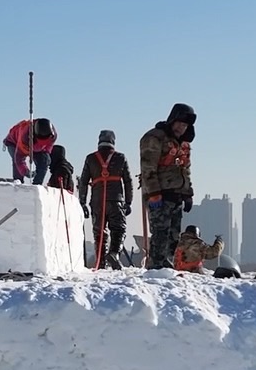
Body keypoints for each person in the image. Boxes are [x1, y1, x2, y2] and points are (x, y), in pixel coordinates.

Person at [139, 103, 196, 269]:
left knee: (173, 235)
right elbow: (148, 167)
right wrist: (154, 193)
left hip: (176, 194)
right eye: (179, 123)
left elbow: (185, 169)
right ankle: (155, 267)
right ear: (172, 120)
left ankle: (166, 265)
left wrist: (188, 193)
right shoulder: (155, 137)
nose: (181, 127)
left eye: (185, 125)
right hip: (159, 194)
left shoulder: (183, 144)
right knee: (160, 233)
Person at [78, 130, 132, 269]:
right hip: (116, 200)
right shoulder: (120, 157)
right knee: (119, 229)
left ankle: (100, 263)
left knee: (99, 232)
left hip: (97, 201)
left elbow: (83, 182)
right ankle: (114, 253)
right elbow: (128, 181)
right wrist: (128, 202)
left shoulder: (90, 158)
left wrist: (82, 203)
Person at [4, 117, 57, 183]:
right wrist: (25, 171)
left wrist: (44, 156)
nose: (43, 144)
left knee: (45, 160)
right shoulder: (25, 137)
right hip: (13, 142)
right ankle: (18, 183)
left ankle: (37, 184)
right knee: (17, 165)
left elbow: (48, 147)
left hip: (34, 145)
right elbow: (19, 158)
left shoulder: (53, 135)